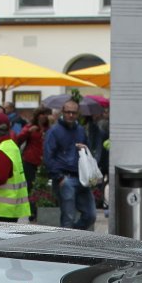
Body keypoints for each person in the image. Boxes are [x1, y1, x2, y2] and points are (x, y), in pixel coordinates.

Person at [44, 99, 99, 231]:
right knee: (68, 217)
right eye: (68, 112)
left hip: (81, 178)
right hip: (65, 178)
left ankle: (71, 235)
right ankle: (68, 239)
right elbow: (48, 156)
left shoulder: (80, 130)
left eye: (73, 113)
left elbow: (88, 151)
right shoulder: (54, 131)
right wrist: (59, 177)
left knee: (90, 215)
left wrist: (84, 148)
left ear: (78, 114)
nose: (70, 115)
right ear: (63, 112)